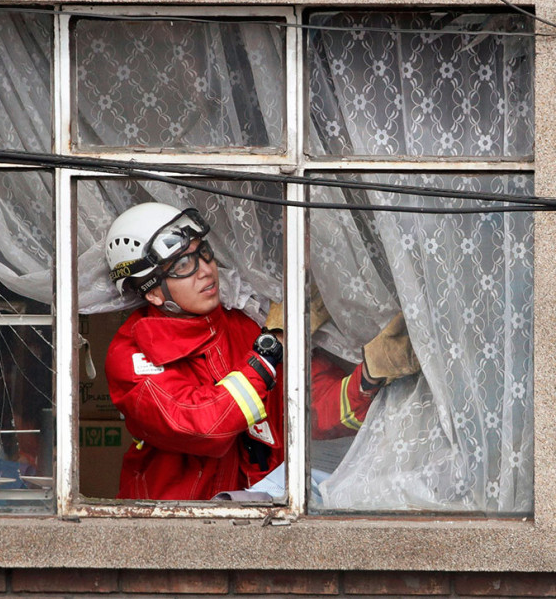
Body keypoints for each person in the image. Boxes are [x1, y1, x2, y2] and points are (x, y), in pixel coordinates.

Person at [103, 202, 419, 500]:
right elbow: (205, 425)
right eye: (183, 265)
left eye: (205, 253)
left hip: (261, 520)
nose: (206, 270)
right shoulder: (132, 356)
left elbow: (309, 409)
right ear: (153, 291)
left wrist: (369, 376)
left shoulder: (246, 323)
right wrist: (272, 348)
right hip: (172, 529)